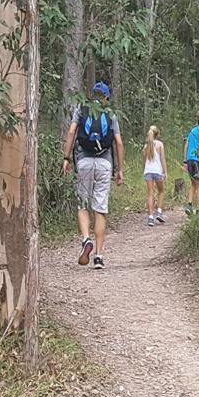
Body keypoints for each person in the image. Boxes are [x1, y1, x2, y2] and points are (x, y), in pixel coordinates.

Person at [62, 82, 124, 270]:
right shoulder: (110, 112)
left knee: (83, 204)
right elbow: (119, 143)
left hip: (84, 162)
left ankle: (86, 239)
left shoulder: (81, 108)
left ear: (92, 94)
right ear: (106, 96)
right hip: (104, 163)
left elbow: (72, 131)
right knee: (100, 209)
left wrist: (66, 158)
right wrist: (120, 170)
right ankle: (98, 256)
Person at [143, 126, 168, 226]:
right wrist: (165, 171)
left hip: (148, 171)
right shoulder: (160, 145)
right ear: (157, 134)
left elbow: (144, 160)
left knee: (150, 193)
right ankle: (159, 211)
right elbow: (162, 159)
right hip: (157, 171)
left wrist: (144, 170)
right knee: (161, 191)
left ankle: (150, 217)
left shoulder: (146, 146)